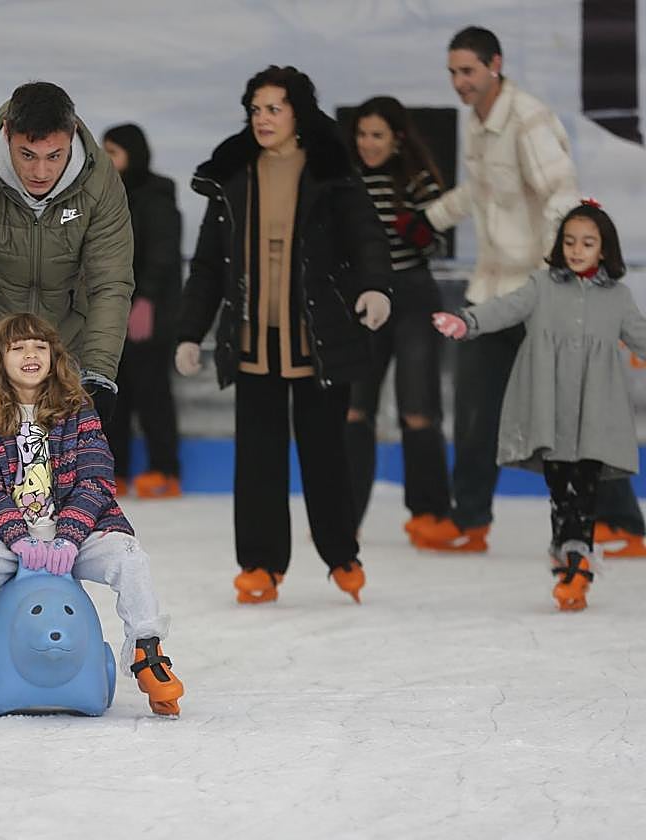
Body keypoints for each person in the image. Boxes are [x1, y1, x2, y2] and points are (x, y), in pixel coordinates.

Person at [411, 25, 646, 554]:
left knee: (576, 414)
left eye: (467, 71)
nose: (459, 82)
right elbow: (481, 188)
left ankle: (623, 524)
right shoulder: (477, 120)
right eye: (452, 72)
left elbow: (561, 194)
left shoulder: (529, 118)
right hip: (492, 292)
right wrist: (431, 217)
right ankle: (469, 519)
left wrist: (560, 272)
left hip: (540, 292)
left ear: (496, 64)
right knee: (474, 408)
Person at [0, 313, 183, 717]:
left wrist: (71, 534)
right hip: (12, 537)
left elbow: (96, 480)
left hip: (78, 534)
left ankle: (148, 652)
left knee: (129, 556)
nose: (31, 354)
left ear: (54, 356)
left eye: (39, 347)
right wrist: (17, 536)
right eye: (18, 347)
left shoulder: (79, 411)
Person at [174, 66, 392, 605]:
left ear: (298, 111)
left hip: (318, 338)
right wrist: (188, 332)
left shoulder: (330, 168)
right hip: (251, 342)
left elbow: (367, 237)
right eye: (255, 109)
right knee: (257, 461)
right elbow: (207, 264)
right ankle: (261, 566)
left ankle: (342, 554)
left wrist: (376, 288)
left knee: (325, 455)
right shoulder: (233, 173)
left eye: (274, 108)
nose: (263, 119)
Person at [432, 201, 646, 610]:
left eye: (587, 243)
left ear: (604, 249)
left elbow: (641, 336)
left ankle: (575, 565)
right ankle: (567, 553)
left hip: (594, 417)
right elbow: (505, 308)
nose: (577, 250)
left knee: (582, 489)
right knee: (561, 490)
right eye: (570, 242)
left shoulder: (617, 299)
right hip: (549, 414)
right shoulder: (541, 287)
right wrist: (469, 322)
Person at [0, 82, 133, 432]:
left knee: (67, 483)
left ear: (73, 134)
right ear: (7, 133)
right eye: (27, 155)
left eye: (54, 156)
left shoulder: (100, 183)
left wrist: (99, 371)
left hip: (66, 355)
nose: (41, 172)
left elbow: (110, 282)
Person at [344, 97, 452, 537]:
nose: (368, 144)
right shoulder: (347, 180)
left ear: (397, 138)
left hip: (411, 297)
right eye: (363, 134)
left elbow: (439, 243)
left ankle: (430, 512)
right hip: (364, 299)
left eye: (377, 136)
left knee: (417, 408)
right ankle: (344, 515)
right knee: (353, 409)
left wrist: (419, 230)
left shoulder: (417, 180)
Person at [101, 123, 183, 498]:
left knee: (153, 394)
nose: (106, 160)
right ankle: (115, 471)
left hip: (150, 313)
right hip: (111, 312)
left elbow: (163, 256)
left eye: (113, 152)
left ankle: (164, 469)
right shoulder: (102, 196)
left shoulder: (157, 199)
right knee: (114, 395)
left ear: (133, 155)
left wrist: (146, 300)